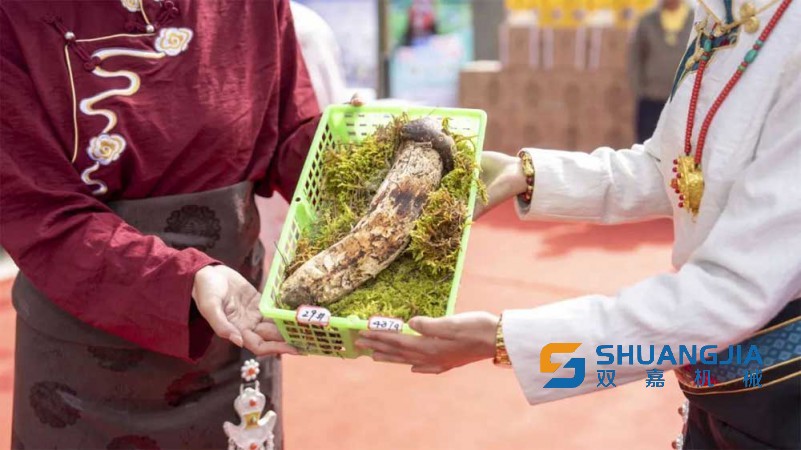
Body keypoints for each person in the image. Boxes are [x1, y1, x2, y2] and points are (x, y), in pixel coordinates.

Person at [356, 1, 801, 448]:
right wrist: (526, 174)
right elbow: (670, 167)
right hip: (713, 384)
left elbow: (731, 291)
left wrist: (504, 339)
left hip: (778, 394)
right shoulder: (718, 10)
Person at [0, 1, 315, 448]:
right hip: (83, 354)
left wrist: (355, 151)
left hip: (234, 325)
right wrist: (184, 279)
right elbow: (38, 210)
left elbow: (288, 133)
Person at [629, 0, 693, 143]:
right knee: (646, 142)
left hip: (684, 98)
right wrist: (639, 88)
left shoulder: (696, 20)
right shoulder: (647, 20)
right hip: (651, 97)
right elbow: (635, 57)